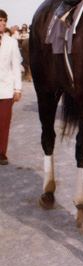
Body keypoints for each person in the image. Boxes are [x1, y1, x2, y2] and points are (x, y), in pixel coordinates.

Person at [0, 9, 22, 165]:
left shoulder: (12, 42)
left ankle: (1, 153)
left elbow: (16, 66)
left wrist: (18, 89)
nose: (3, 24)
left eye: (4, 21)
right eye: (0, 21)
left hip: (6, 88)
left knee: (4, 121)